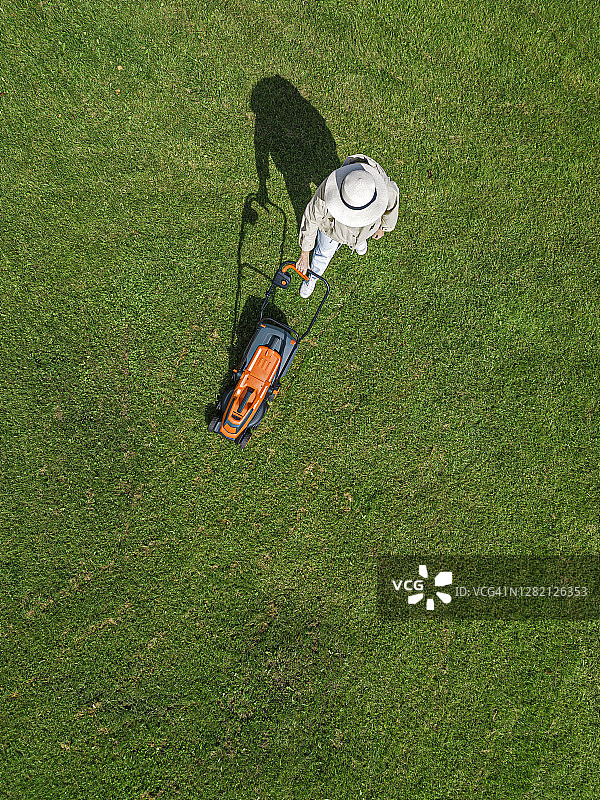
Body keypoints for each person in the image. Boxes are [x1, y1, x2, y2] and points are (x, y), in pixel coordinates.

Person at [296, 154, 399, 298]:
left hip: (365, 229)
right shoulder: (328, 189)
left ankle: (359, 243)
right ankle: (312, 278)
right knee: (324, 253)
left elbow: (392, 204)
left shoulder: (384, 188)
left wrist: (384, 227)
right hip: (332, 229)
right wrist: (305, 252)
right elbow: (311, 217)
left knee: (362, 235)